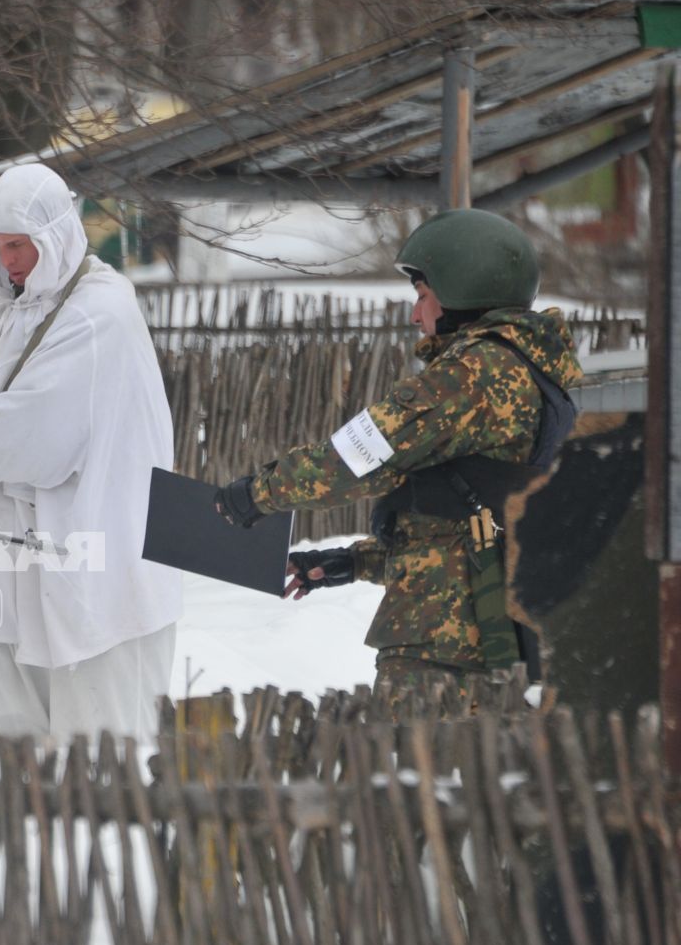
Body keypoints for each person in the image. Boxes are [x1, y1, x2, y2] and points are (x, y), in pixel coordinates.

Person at [212, 207, 582, 719]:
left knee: (419, 787)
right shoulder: (530, 370)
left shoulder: (473, 374)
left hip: (444, 652)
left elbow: (357, 457)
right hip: (484, 633)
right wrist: (354, 562)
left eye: (423, 296)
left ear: (460, 292)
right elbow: (466, 527)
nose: (415, 315)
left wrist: (254, 495)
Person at [0, 163, 181, 745]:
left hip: (98, 582)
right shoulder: (19, 315)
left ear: (54, 235)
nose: (9, 262)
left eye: (20, 246)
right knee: (20, 761)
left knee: (102, 759)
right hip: (21, 582)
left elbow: (31, 430)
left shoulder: (100, 313)